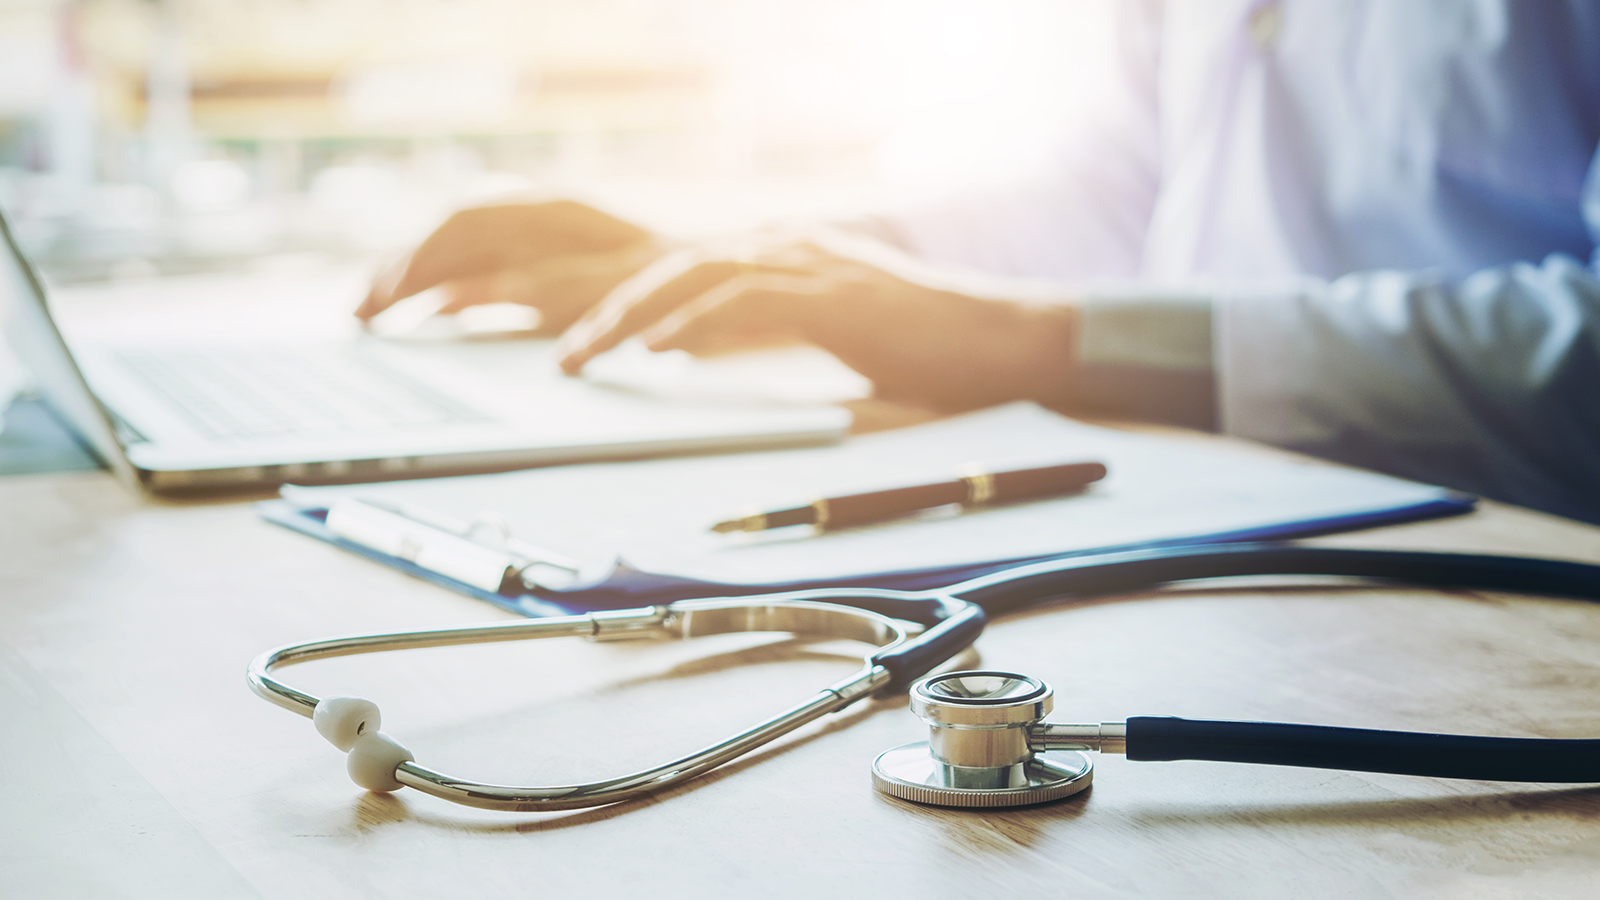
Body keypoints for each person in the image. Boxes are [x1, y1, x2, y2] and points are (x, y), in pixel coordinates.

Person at [356, 1, 1600, 525]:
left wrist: (1040, 344)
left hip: (1525, 585)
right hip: (1231, 512)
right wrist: (758, 269)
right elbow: (1115, 192)